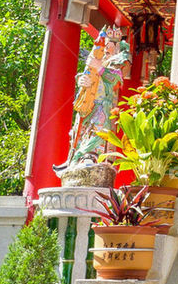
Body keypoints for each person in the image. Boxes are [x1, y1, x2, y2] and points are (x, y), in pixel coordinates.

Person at [54, 26, 131, 174]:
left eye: (111, 46)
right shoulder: (95, 61)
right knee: (81, 130)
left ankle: (91, 156)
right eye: (106, 45)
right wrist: (82, 80)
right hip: (88, 104)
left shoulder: (116, 67)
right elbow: (85, 75)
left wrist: (100, 69)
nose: (107, 49)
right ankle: (74, 158)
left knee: (98, 129)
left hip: (103, 106)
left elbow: (114, 81)